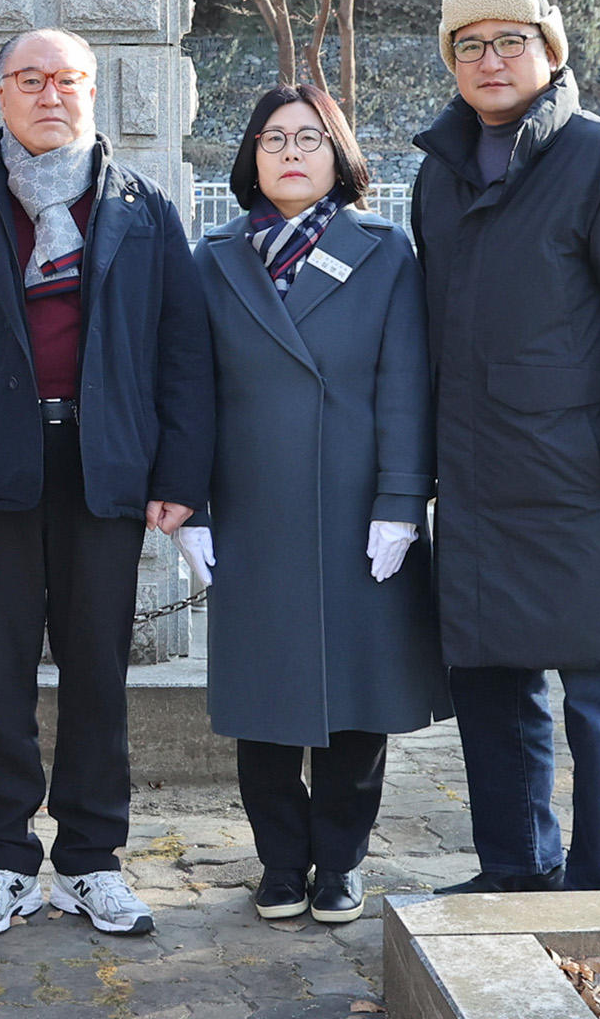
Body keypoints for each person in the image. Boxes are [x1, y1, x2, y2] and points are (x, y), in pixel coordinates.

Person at [0, 27, 215, 940]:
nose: (50, 95)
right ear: (0, 94)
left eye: (67, 80)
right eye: (30, 80)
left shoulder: (143, 206)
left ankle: (89, 861)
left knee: (99, 673)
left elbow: (183, 353)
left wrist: (179, 474)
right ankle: (1, 860)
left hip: (104, 462)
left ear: (92, 92)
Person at [409, 0, 600, 894]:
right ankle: (515, 866)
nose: (490, 61)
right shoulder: (440, 171)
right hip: (473, 470)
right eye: (469, 46)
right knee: (490, 679)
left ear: (549, 49)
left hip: (580, 469)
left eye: (511, 41)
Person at [182, 84, 445, 927]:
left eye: (309, 138)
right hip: (252, 507)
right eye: (273, 139)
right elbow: (188, 394)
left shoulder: (384, 252)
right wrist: (191, 509)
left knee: (358, 695)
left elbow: (406, 384)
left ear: (339, 155)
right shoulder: (215, 256)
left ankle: (340, 861)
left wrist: (400, 500)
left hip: (356, 505)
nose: (290, 154)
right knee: (262, 697)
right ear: (250, 158)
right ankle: (280, 862)